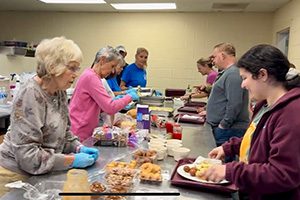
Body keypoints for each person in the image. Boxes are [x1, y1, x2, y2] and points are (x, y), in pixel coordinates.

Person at [0, 37, 99, 196]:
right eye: (72, 68)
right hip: (15, 176)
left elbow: (64, 134)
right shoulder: (30, 94)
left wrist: (77, 147)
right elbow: (28, 157)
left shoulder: (58, 90)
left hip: (41, 172)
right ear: (53, 67)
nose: (76, 74)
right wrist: (71, 161)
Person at [200, 44, 300, 199]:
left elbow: (282, 174)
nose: (242, 84)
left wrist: (230, 171)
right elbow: (257, 139)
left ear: (262, 74)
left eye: (245, 78)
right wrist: (229, 148)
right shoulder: (265, 105)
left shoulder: (292, 113)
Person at [69, 46, 139, 141]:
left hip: (83, 131)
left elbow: (96, 106)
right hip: (81, 133)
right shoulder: (91, 78)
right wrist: (129, 97)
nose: (113, 71)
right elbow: (110, 108)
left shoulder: (92, 75)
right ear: (102, 60)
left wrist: (116, 100)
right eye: (112, 66)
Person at [204, 43, 249, 147]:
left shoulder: (233, 73)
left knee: (225, 162)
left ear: (222, 56)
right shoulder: (227, 73)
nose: (213, 61)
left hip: (229, 129)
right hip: (225, 128)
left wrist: (223, 125)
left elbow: (235, 103)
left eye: (214, 57)